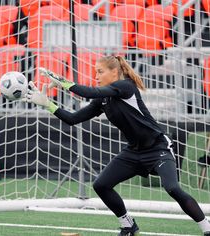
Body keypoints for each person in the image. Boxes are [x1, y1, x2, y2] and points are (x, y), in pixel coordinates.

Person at [24, 55, 210, 236]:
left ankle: (206, 227)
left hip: (157, 149)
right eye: (95, 72)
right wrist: (47, 104)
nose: (96, 76)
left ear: (115, 72)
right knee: (101, 185)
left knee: (172, 188)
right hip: (133, 152)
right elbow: (74, 119)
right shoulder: (102, 100)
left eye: (100, 72)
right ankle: (128, 226)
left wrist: (62, 81)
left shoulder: (126, 86)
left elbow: (90, 92)